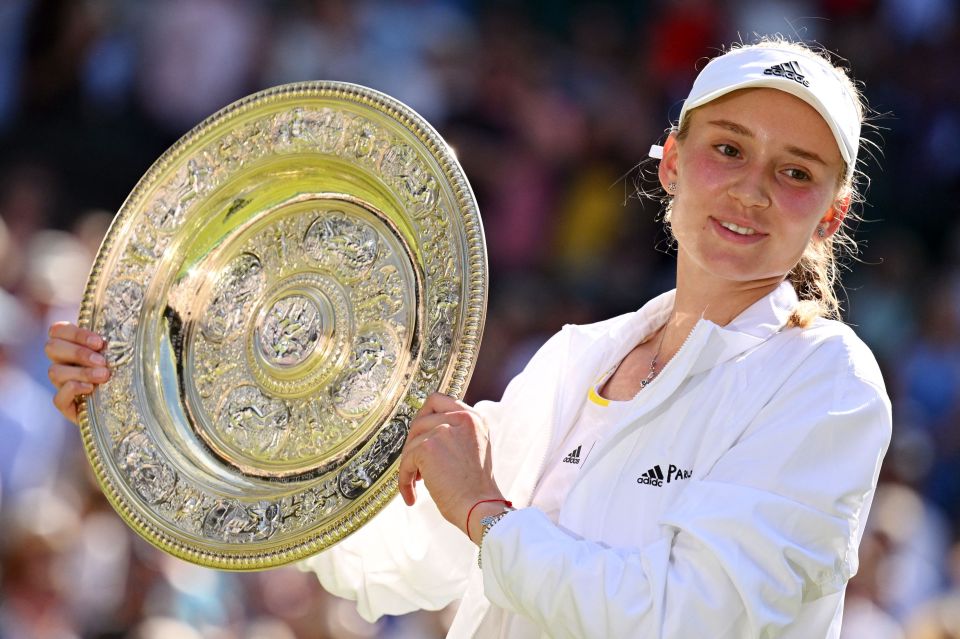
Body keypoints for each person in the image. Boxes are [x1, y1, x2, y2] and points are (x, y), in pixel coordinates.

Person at [46, 37, 891, 638]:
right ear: (671, 161)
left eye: (794, 172)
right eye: (727, 149)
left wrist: (485, 511)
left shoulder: (826, 382)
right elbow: (405, 562)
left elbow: (687, 620)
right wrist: (162, 406)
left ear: (831, 215)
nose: (749, 190)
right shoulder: (572, 360)